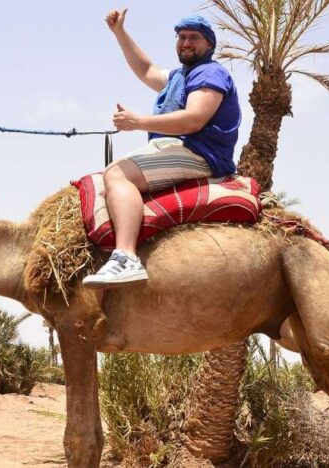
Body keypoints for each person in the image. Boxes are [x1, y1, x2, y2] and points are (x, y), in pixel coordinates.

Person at [82, 9, 241, 289]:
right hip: (177, 148)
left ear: (209, 45)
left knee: (117, 175)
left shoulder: (210, 73)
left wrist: (138, 122)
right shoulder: (182, 75)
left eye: (194, 37)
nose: (186, 42)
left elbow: (194, 119)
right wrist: (120, 32)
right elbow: (146, 70)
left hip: (198, 152)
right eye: (181, 37)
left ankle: (126, 257)